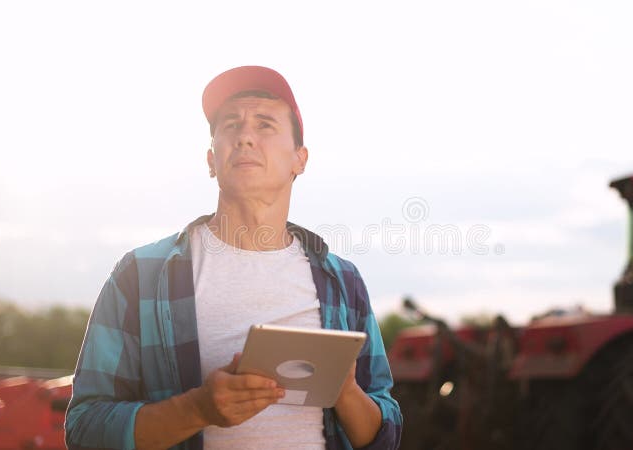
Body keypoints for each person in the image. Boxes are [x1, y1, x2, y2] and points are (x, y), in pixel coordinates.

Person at [64, 66, 402, 450]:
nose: (244, 137)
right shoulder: (140, 276)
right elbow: (84, 430)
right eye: (230, 125)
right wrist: (197, 409)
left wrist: (345, 391)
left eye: (264, 124)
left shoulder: (343, 281)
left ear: (299, 159)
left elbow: (385, 436)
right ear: (211, 160)